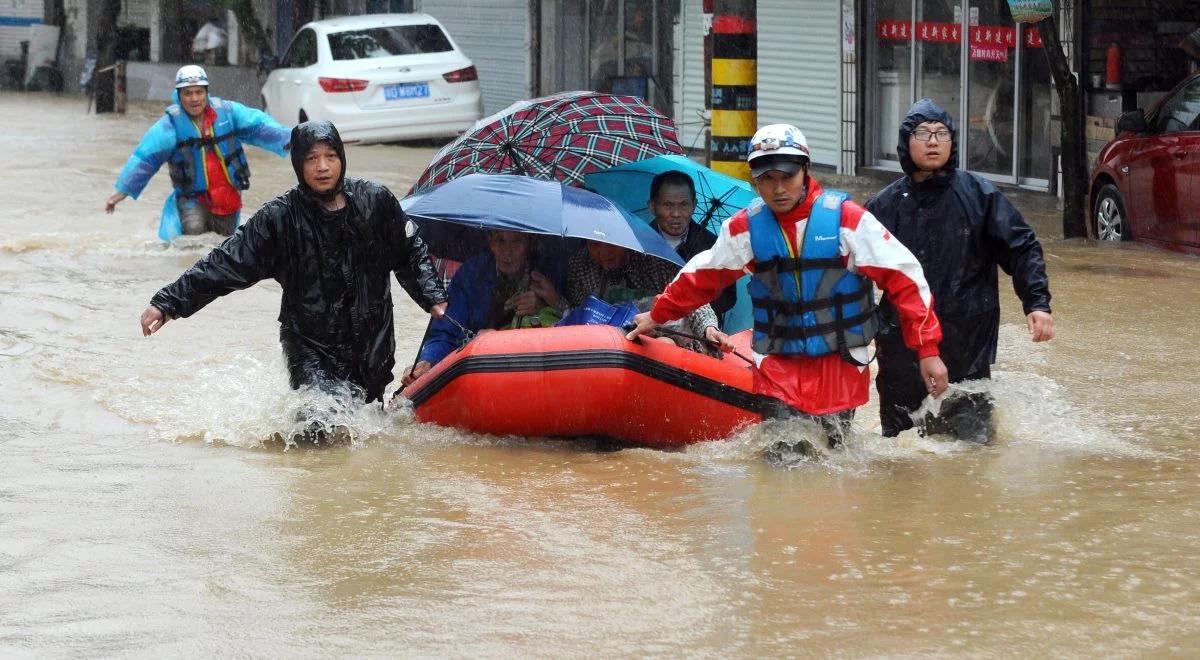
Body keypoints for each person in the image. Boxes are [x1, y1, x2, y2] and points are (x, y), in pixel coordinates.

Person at [626, 124, 948, 449]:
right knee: (782, 462)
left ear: (805, 171)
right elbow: (701, 276)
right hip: (778, 368)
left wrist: (928, 350)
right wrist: (656, 315)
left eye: (787, 177)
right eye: (767, 179)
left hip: (840, 367)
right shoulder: (745, 230)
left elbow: (905, 277)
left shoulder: (848, 221)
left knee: (836, 467)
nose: (778, 189)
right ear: (755, 180)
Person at [138, 121, 449, 404]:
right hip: (309, 345)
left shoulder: (376, 201)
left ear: (342, 157)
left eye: (330, 156)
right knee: (318, 423)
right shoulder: (279, 218)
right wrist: (169, 303)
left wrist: (433, 296)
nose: (323, 167)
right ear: (299, 165)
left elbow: (410, 250)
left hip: (372, 343)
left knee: (365, 427)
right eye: (312, 159)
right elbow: (225, 262)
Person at [866, 99, 1053, 443]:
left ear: (953, 142)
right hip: (901, 345)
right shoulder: (883, 206)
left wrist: (1037, 303)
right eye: (923, 133)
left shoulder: (980, 196)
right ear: (906, 142)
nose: (933, 141)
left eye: (942, 133)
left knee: (971, 449)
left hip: (968, 341)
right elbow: (853, 270)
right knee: (899, 450)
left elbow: (1022, 247)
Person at [106, 65, 290, 240]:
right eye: (188, 93)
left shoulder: (228, 113)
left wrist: (289, 139)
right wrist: (122, 192)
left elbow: (259, 125)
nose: (194, 99)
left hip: (228, 200)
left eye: (199, 92)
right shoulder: (169, 127)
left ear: (206, 93)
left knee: (224, 248)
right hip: (192, 200)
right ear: (179, 96)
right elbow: (145, 159)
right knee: (193, 242)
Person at [402, 230, 566, 384]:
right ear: (490, 242)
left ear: (530, 243)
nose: (507, 251)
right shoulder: (471, 274)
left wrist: (548, 305)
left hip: (533, 367)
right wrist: (428, 361)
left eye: (517, 241)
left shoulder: (551, 270)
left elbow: (575, 324)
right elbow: (445, 332)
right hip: (477, 367)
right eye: (499, 240)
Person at [567, 239, 722, 351]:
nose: (604, 252)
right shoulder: (580, 265)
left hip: (667, 334)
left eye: (610, 244)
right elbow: (578, 310)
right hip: (608, 340)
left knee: (663, 346)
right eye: (595, 245)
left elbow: (689, 296)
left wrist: (709, 328)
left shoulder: (655, 261)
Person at [647, 170, 737, 324]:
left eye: (684, 205)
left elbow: (728, 297)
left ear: (694, 205)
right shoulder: (641, 241)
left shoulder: (714, 246)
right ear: (652, 206)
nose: (676, 214)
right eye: (668, 205)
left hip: (697, 330)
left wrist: (689, 306)